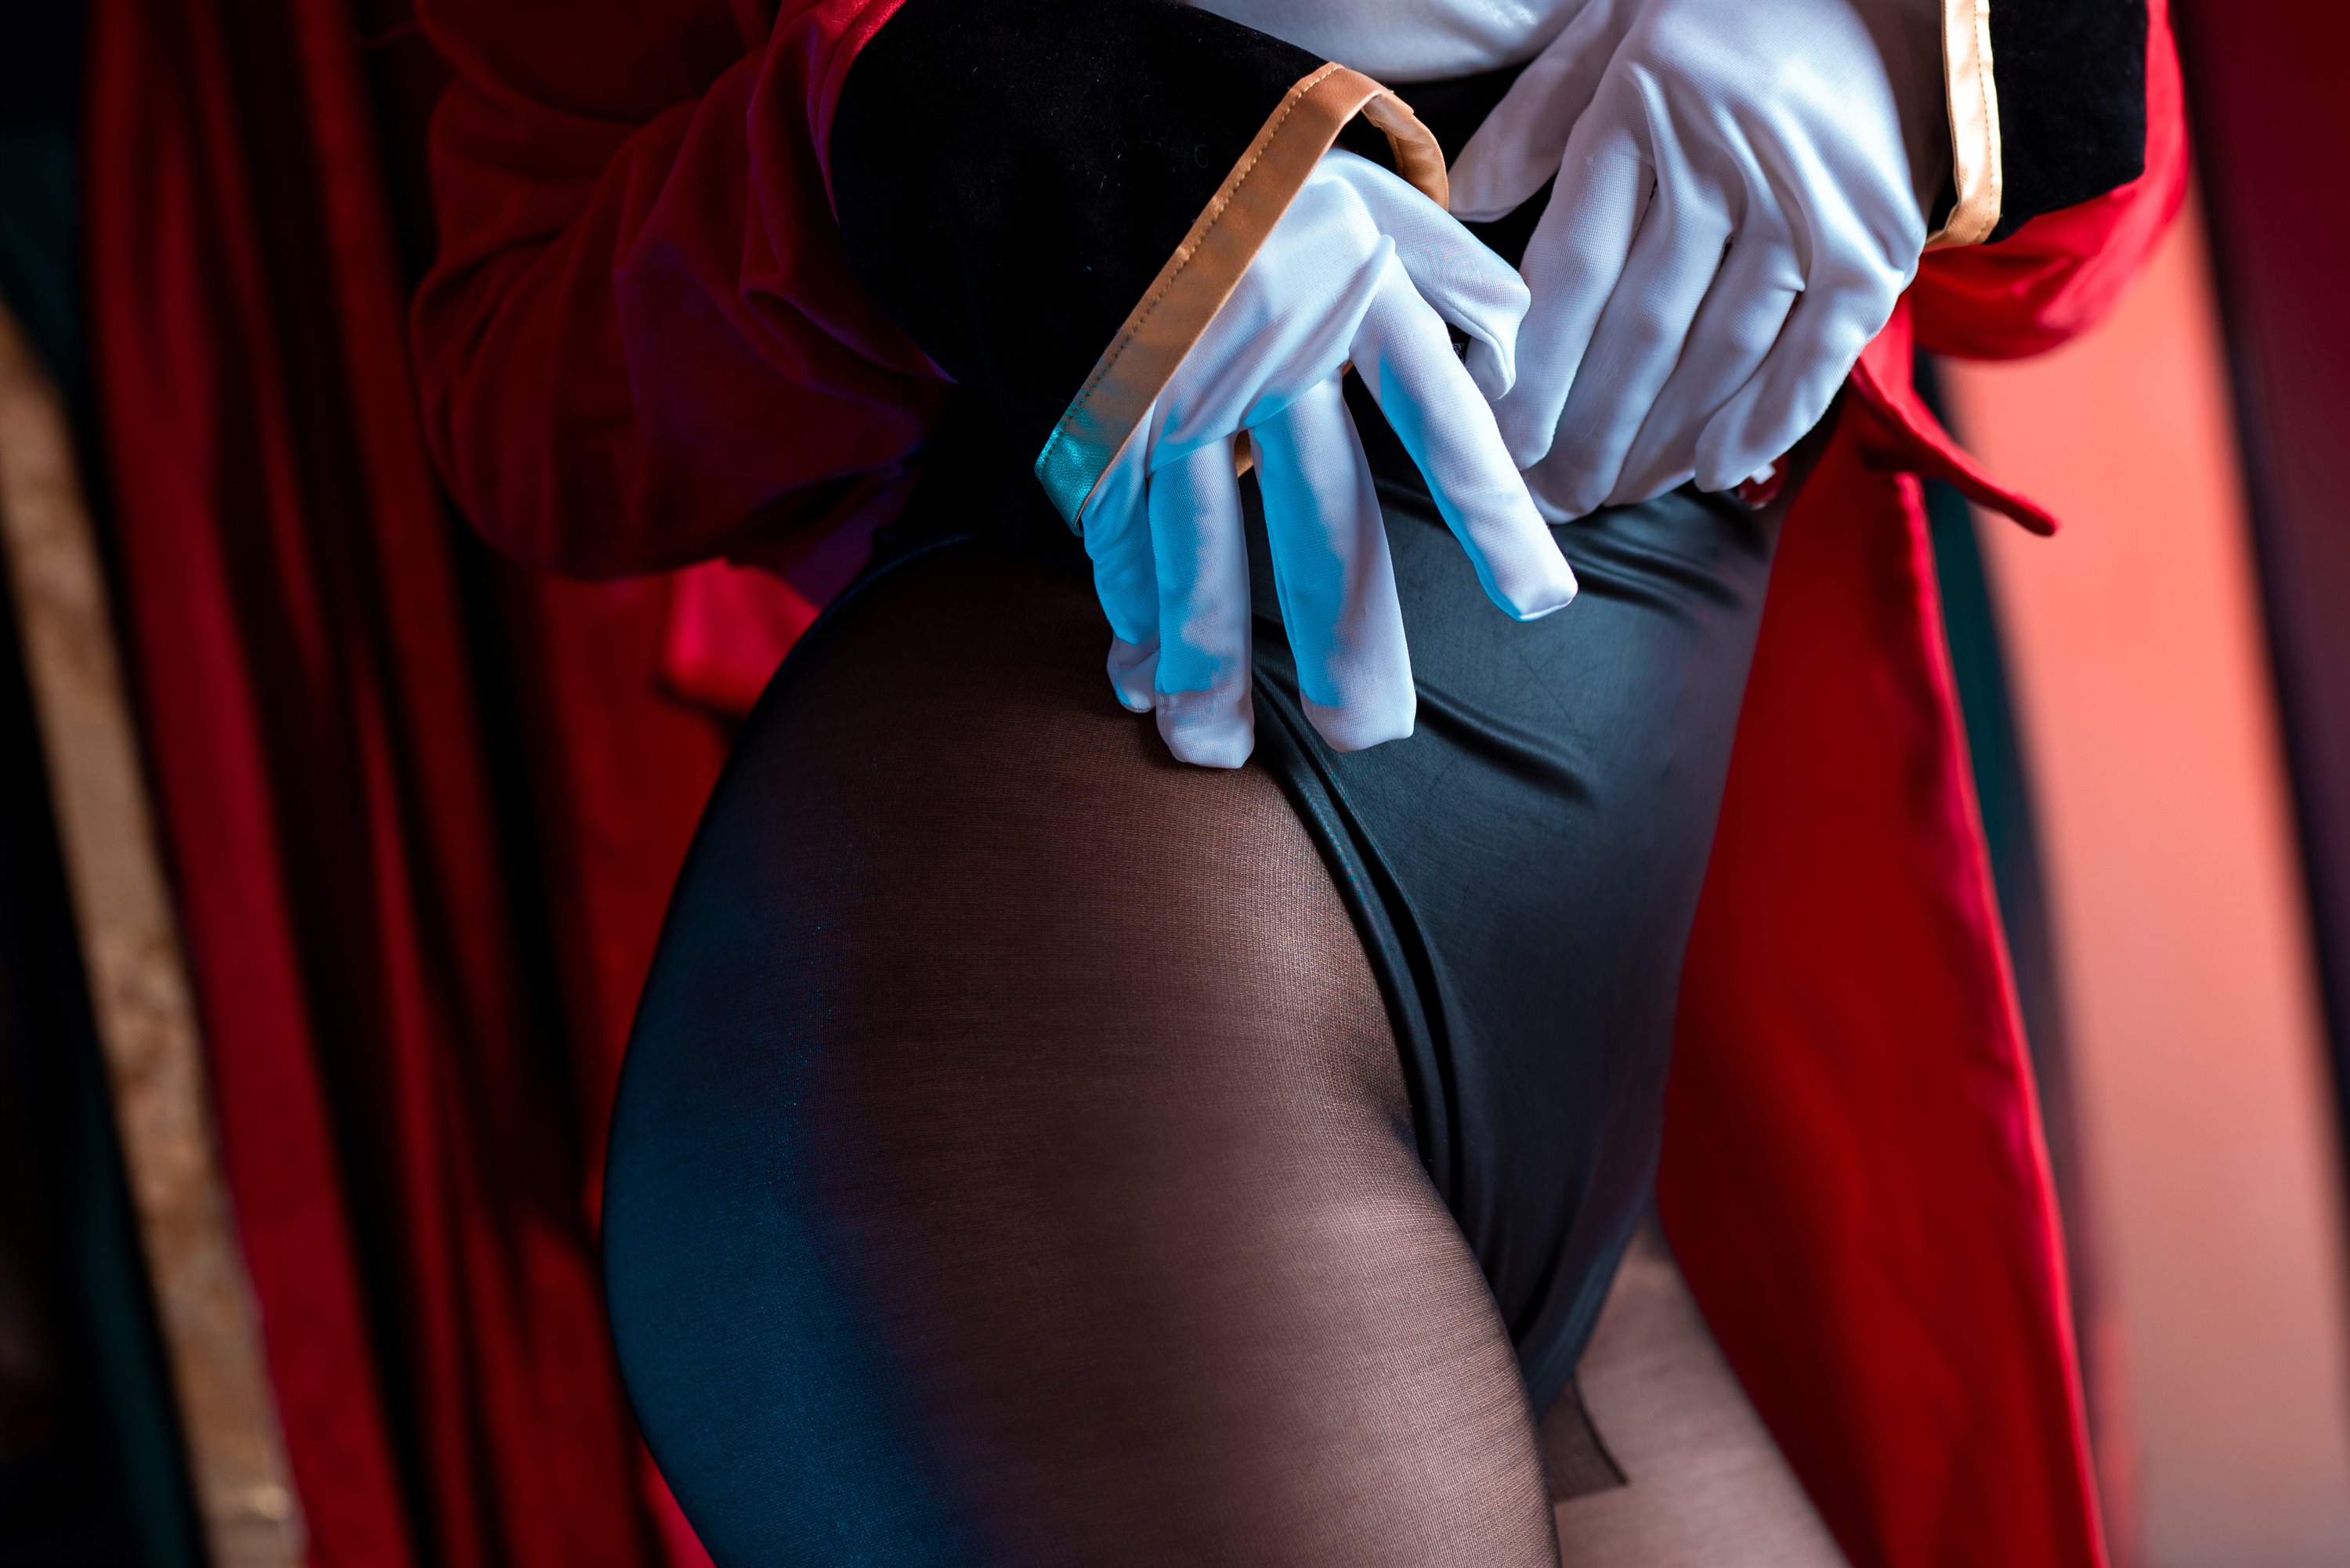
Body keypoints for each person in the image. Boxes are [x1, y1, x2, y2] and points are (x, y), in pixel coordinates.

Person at [407, 0, 2185, 1562]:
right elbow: (537, 389)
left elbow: (2075, 253)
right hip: (1066, 994)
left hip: (1580, 1081)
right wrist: (1015, 150)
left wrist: (1893, 39)